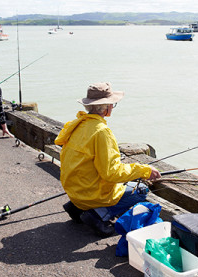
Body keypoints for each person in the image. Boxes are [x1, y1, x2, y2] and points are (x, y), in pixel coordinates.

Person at [54, 82, 161, 237]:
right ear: (106, 107)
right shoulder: (101, 132)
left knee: (123, 183)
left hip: (74, 191)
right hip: (91, 195)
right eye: (112, 104)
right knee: (141, 190)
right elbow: (111, 173)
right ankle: (99, 215)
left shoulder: (77, 125)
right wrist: (144, 170)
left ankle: (77, 207)